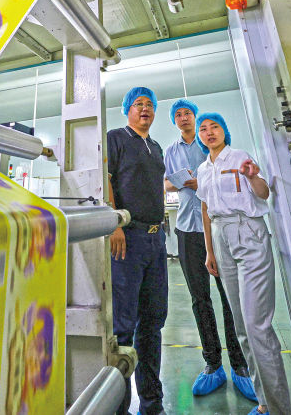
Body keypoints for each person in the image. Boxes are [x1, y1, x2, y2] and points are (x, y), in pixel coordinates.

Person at [196, 112, 291, 415]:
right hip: (220, 237)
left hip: (248, 232)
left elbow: (263, 192)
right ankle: (264, 404)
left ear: (223, 131)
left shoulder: (239, 157)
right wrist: (210, 251)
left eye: (214, 127)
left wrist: (252, 176)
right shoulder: (203, 168)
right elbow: (206, 209)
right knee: (241, 327)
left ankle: (279, 410)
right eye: (203, 129)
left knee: (256, 326)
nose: (209, 132)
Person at [163, 99, 256, 402]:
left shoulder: (210, 147)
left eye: (188, 113)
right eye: (178, 115)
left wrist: (200, 183)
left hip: (217, 229)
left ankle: (240, 365)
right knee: (199, 299)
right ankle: (213, 364)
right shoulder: (171, 151)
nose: (184, 118)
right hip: (187, 229)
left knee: (230, 297)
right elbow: (165, 183)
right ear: (175, 121)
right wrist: (182, 184)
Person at [107, 86, 168, 415]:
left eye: (149, 104)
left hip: (157, 241)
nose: (145, 108)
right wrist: (114, 223)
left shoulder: (155, 147)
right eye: (138, 104)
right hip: (128, 240)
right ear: (127, 110)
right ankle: (119, 407)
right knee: (124, 327)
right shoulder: (116, 138)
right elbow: (105, 179)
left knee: (153, 323)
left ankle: (152, 403)